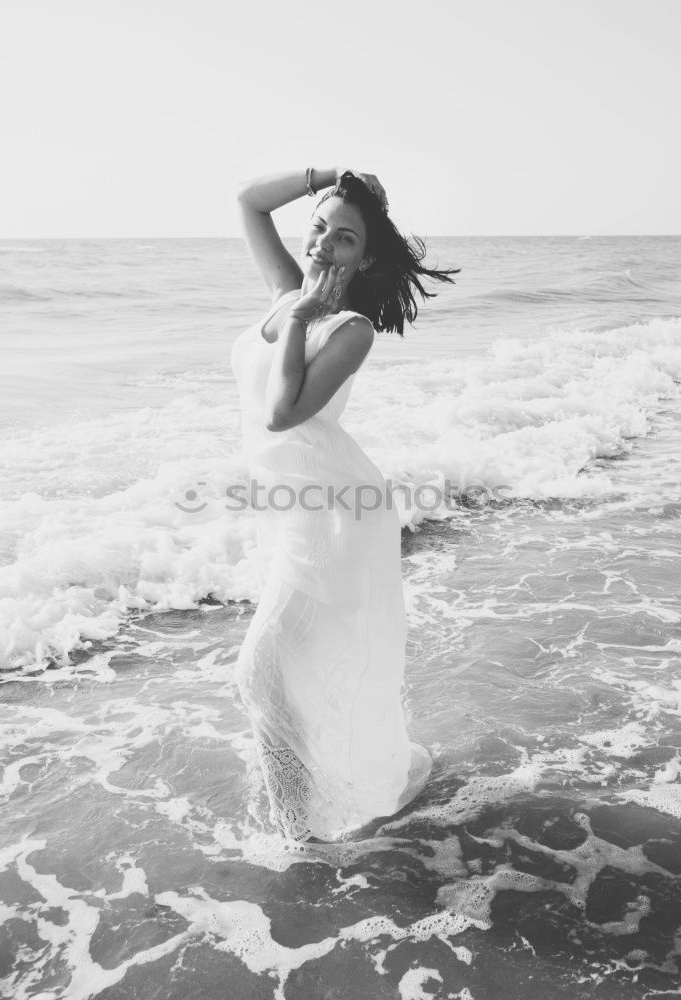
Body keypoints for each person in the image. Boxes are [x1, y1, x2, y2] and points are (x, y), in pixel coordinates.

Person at [229, 166, 458, 845]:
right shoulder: (282, 292)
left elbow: (282, 413)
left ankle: (296, 838)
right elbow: (247, 200)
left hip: (335, 515)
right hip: (291, 509)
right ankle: (304, 817)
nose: (325, 243)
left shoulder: (349, 328)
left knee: (261, 671)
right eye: (321, 227)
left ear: (366, 259)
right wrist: (326, 178)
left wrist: (302, 318)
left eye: (346, 238)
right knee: (282, 675)